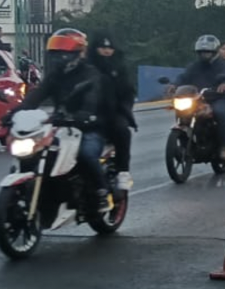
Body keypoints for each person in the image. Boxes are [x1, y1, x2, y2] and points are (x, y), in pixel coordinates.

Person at [12, 28, 115, 212]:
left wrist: (85, 113)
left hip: (91, 125)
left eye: (63, 53)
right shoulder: (55, 76)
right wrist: (14, 113)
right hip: (63, 124)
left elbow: (93, 96)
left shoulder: (91, 74)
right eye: (55, 53)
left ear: (76, 53)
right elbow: (37, 95)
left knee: (86, 154)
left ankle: (102, 193)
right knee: (38, 149)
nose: (58, 57)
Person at [173, 35, 225, 161]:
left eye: (207, 52)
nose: (204, 54)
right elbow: (184, 76)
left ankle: (224, 146)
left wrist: (224, 84)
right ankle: (189, 140)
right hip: (197, 99)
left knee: (220, 113)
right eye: (201, 52)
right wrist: (174, 85)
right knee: (183, 111)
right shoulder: (194, 66)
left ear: (214, 52)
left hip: (217, 98)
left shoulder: (222, 65)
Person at [88, 31, 136, 190]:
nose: (106, 51)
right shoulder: (86, 67)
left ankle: (123, 171)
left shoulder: (119, 67)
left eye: (110, 48)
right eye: (102, 47)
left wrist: (124, 109)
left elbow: (128, 92)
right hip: (87, 113)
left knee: (122, 131)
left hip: (114, 111)